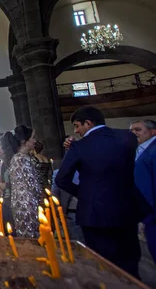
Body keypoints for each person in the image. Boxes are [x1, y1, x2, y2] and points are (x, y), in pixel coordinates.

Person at [56, 106, 145, 278]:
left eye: (77, 125)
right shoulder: (127, 137)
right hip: (126, 209)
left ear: (88, 123)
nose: (76, 131)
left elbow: (61, 180)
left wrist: (84, 194)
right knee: (130, 260)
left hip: (94, 213)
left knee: (103, 264)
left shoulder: (78, 147)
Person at [1, 125, 41, 238]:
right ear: (24, 141)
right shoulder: (21, 158)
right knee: (30, 237)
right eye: (32, 138)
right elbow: (32, 185)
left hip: (22, 201)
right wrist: (41, 197)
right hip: (27, 203)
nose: (34, 141)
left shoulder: (18, 158)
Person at [133, 119, 156, 263]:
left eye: (138, 129)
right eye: (132, 130)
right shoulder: (142, 149)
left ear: (153, 132)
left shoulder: (153, 150)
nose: (133, 133)